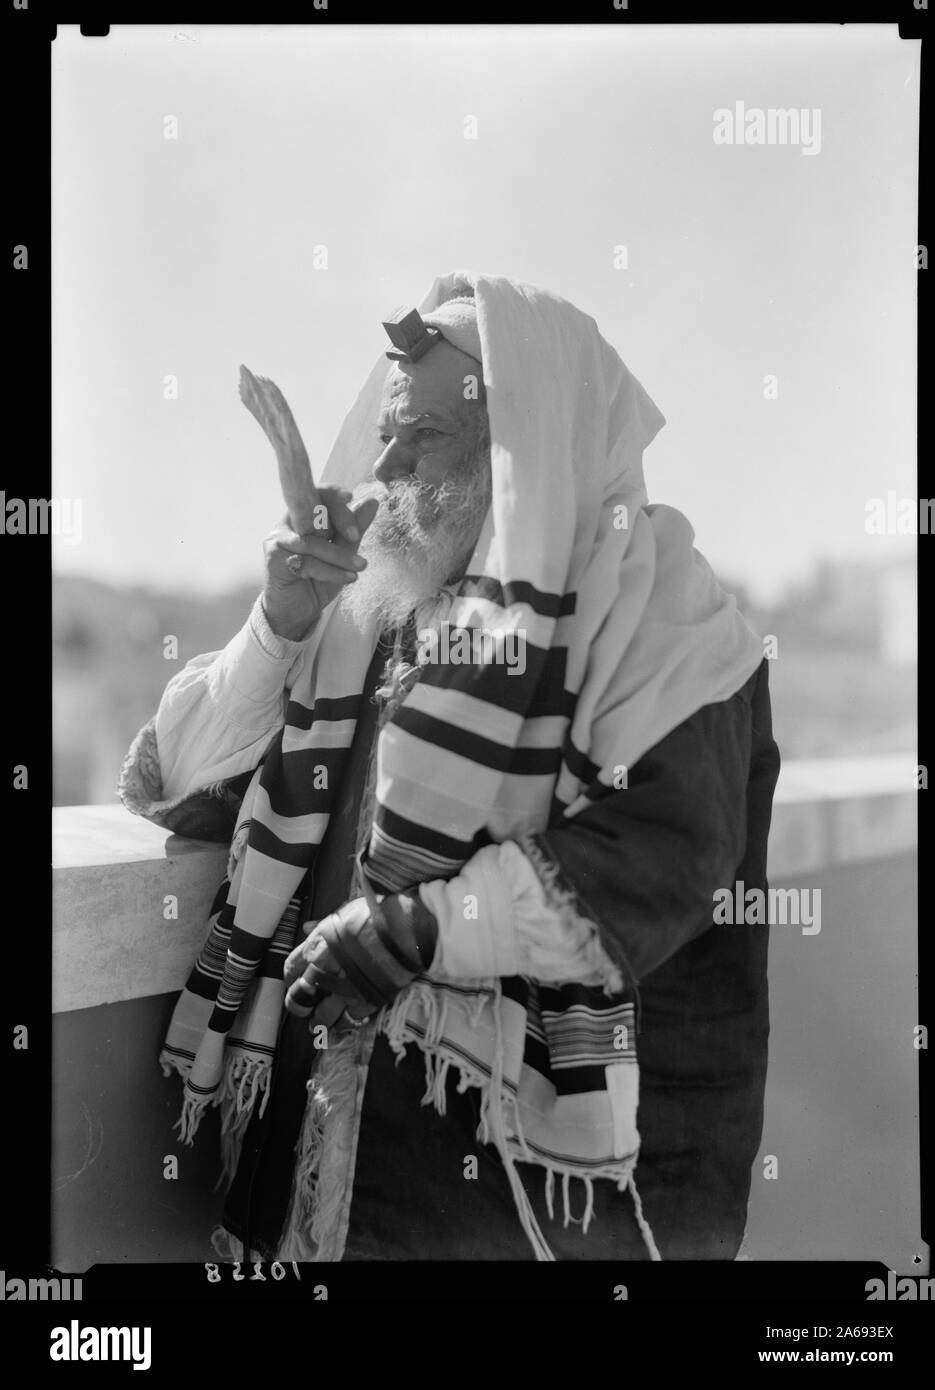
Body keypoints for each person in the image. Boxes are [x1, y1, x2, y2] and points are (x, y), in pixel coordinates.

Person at [119, 273, 780, 1262]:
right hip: (331, 1168)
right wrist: (281, 623)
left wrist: (420, 930)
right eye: (385, 430)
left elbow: (664, 853)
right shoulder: (371, 618)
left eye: (417, 435)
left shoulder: (660, 619)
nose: (381, 464)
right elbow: (190, 779)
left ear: (515, 455)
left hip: (542, 1203)